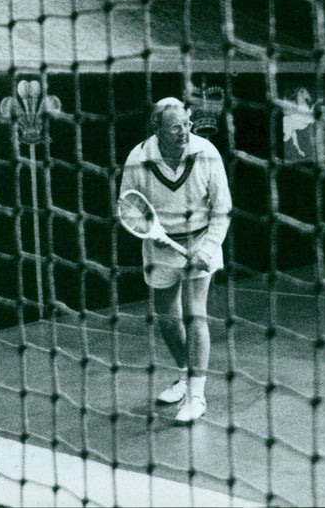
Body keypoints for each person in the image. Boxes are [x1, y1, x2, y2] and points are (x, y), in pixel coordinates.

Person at [118, 97, 232, 423]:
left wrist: (207, 250)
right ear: (157, 129)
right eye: (175, 127)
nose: (184, 131)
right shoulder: (137, 158)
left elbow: (222, 209)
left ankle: (197, 396)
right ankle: (185, 376)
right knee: (168, 318)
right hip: (159, 246)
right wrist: (149, 233)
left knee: (196, 314)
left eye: (187, 124)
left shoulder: (207, 152)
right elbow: (127, 205)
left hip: (201, 239)